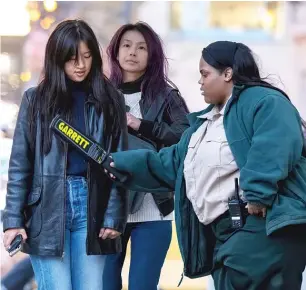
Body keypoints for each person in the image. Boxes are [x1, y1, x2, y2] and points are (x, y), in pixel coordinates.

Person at [106, 41, 306, 290]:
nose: (200, 82)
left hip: (262, 225)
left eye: (205, 74)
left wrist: (258, 194)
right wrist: (117, 162)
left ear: (228, 73)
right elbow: (168, 164)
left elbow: (276, 142)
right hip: (228, 234)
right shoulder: (203, 125)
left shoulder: (263, 100)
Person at [2, 19, 128, 290]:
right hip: (46, 206)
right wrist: (12, 220)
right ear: (57, 59)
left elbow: (119, 164)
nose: (80, 65)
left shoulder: (110, 100)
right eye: (72, 59)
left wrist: (114, 216)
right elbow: (20, 165)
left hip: (91, 205)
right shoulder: (35, 100)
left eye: (86, 56)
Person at [103, 21, 189, 290]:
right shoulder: (100, 95)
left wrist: (142, 125)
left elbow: (186, 137)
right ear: (116, 52)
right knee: (104, 284)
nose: (132, 52)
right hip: (107, 208)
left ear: (151, 55)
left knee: (143, 285)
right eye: (126, 46)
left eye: (141, 47)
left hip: (154, 208)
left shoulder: (166, 96)